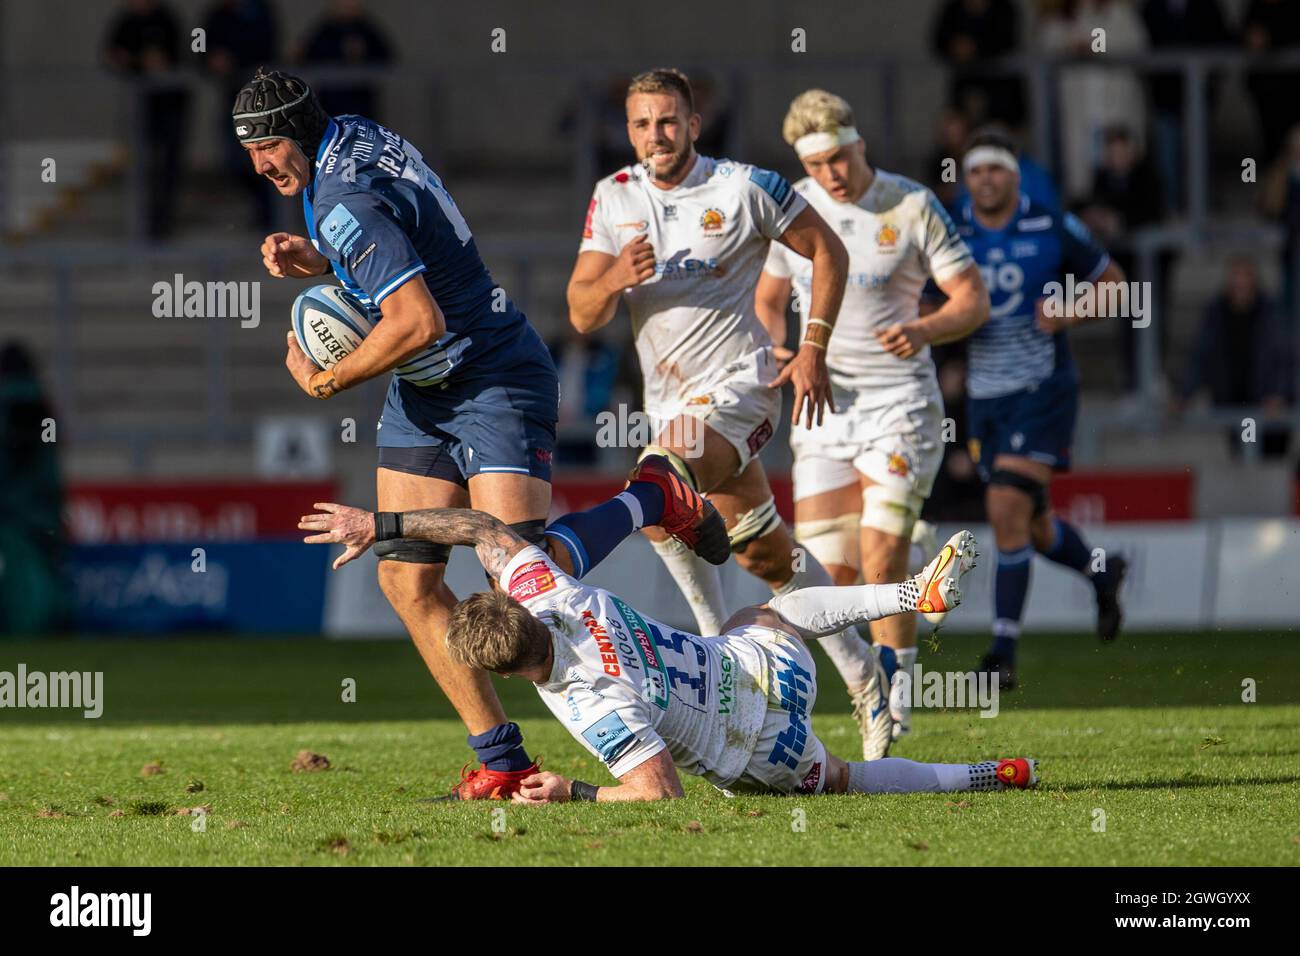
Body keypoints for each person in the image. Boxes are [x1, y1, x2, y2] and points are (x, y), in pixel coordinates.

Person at [298, 466, 1039, 802]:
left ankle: (982, 775)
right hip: (775, 673)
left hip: (770, 758)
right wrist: (381, 525)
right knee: (769, 614)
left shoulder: (588, 704)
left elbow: (660, 795)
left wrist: (576, 793)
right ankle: (911, 593)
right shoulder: (553, 591)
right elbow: (481, 527)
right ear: (520, 608)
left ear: (512, 673)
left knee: (844, 778)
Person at [232, 69, 566, 799]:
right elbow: (405, 231)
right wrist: (322, 263)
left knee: (525, 591)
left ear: (299, 133)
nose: (260, 166)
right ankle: (503, 763)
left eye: (268, 148)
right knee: (405, 577)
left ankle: (648, 508)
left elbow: (419, 321)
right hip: (426, 393)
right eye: (251, 152)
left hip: (493, 379)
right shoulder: (352, 140)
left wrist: (328, 381)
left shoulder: (343, 198)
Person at [565, 68, 901, 760]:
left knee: (657, 482)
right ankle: (865, 678)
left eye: (668, 121)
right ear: (627, 131)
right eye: (641, 124)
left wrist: (812, 347)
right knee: (764, 553)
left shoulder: (744, 187)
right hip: (669, 399)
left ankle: (723, 663)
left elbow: (827, 250)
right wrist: (614, 278)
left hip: (741, 388)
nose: (655, 135)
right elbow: (579, 310)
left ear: (694, 124)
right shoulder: (614, 198)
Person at [754, 89, 989, 753]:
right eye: (818, 162)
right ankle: (869, 685)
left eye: (840, 156)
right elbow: (768, 300)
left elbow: (972, 299)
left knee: (880, 555)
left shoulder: (911, 203)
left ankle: (897, 704)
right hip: (823, 408)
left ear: (860, 144)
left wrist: (924, 327)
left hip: (900, 407)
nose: (831, 173)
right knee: (829, 579)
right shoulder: (793, 205)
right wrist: (777, 346)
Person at [930, 128, 1130, 690]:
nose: (985, 180)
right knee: (1034, 524)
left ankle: (1002, 652)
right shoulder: (953, 232)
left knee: (1003, 506)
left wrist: (1067, 312)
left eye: (995, 170)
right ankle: (1102, 571)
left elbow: (1116, 285)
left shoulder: (1050, 223)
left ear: (1014, 176)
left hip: (1043, 389)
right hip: (985, 398)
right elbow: (926, 300)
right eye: (974, 172)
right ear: (965, 180)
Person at [1175, 257, 1294, 458]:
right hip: (1233, 401)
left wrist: (1280, 393)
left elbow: (1286, 357)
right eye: (1236, 278)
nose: (1240, 285)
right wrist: (1184, 394)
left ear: (1254, 282)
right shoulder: (1216, 314)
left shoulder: (1272, 314)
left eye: (1245, 278)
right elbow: (1202, 356)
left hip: (1266, 402)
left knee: (1270, 458)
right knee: (1243, 457)